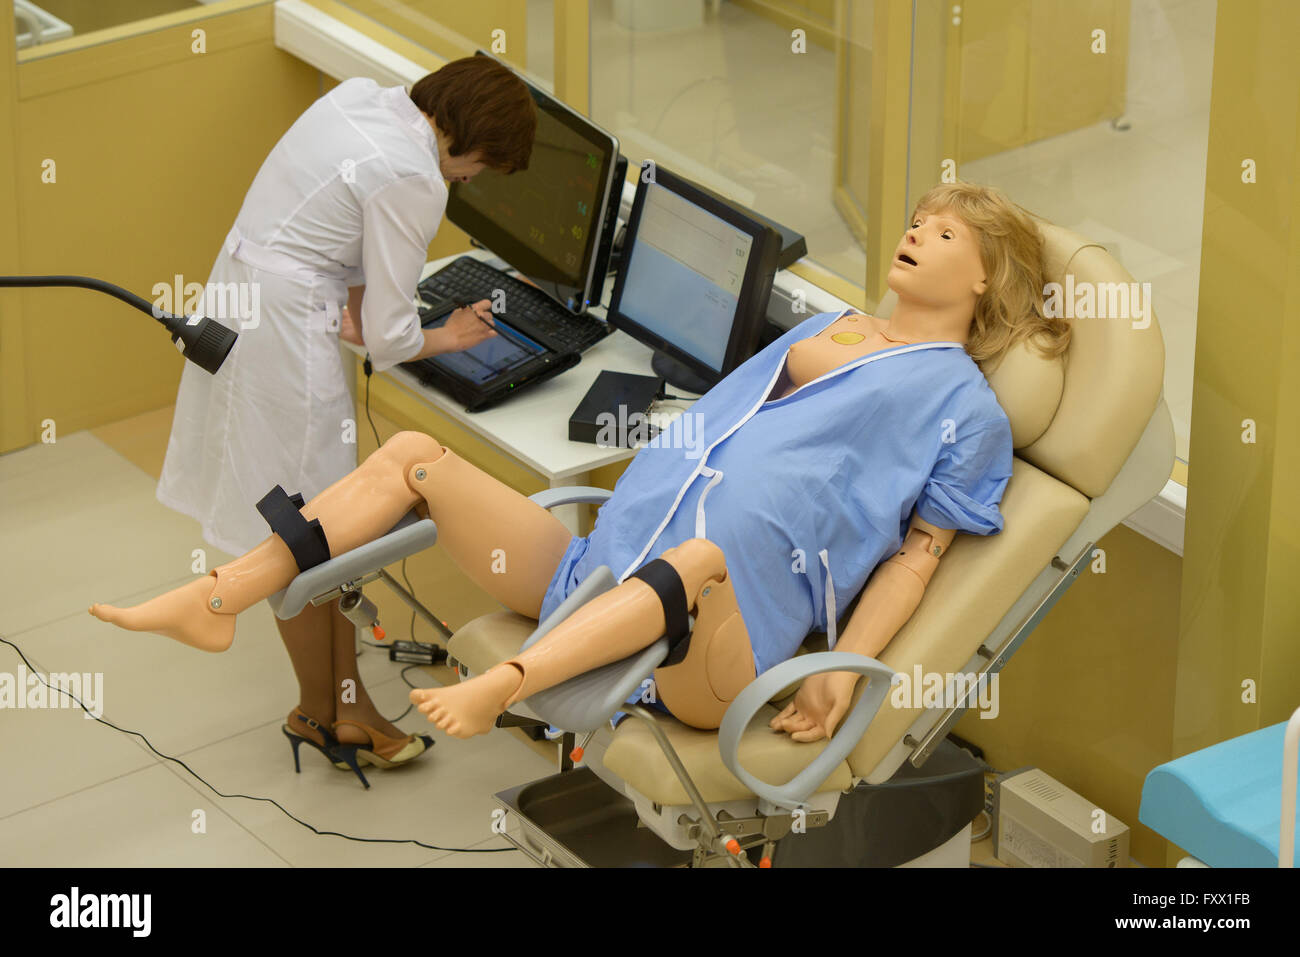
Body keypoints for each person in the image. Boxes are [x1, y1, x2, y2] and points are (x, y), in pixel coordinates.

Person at [93, 182, 1069, 749]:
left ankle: (506, 685)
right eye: (916, 219)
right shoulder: (831, 328)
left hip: (715, 653)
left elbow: (917, 558)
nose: (913, 232)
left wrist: (844, 677)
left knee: (698, 561)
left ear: (986, 278)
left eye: (944, 234)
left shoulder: (962, 407)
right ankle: (221, 597)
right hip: (590, 578)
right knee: (415, 457)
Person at [153, 57, 536, 772]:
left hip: (243, 296)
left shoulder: (364, 99)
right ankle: (330, 709)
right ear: (471, 143)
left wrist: (359, 305)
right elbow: (391, 341)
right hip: (283, 335)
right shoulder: (416, 176)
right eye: (481, 167)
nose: (471, 180)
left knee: (307, 529)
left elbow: (338, 229)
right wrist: (447, 333)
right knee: (309, 536)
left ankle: (335, 707)